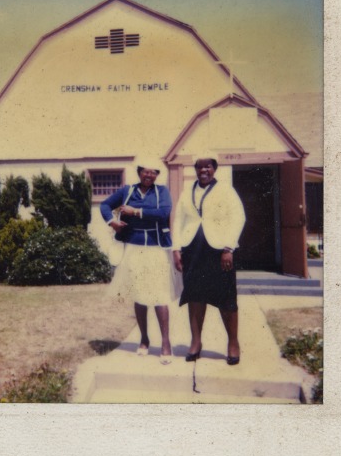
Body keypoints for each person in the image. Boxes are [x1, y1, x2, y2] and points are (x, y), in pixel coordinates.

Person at [100, 158, 175, 365]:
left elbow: (163, 213)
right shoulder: (127, 190)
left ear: (157, 175)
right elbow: (106, 205)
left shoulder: (162, 192)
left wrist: (135, 212)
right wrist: (112, 221)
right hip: (133, 247)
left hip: (156, 247)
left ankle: (166, 343)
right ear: (139, 172)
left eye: (153, 172)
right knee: (139, 294)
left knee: (160, 295)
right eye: (145, 172)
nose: (148, 175)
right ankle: (144, 339)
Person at [173, 156, 246, 364]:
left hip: (219, 250)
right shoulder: (188, 191)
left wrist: (228, 248)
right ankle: (196, 343)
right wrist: (176, 248)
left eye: (208, 166)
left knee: (226, 297)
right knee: (194, 296)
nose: (203, 169)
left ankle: (233, 343)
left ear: (214, 169)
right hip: (192, 249)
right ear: (195, 169)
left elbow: (238, 217)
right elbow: (179, 219)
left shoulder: (226, 190)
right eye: (199, 166)